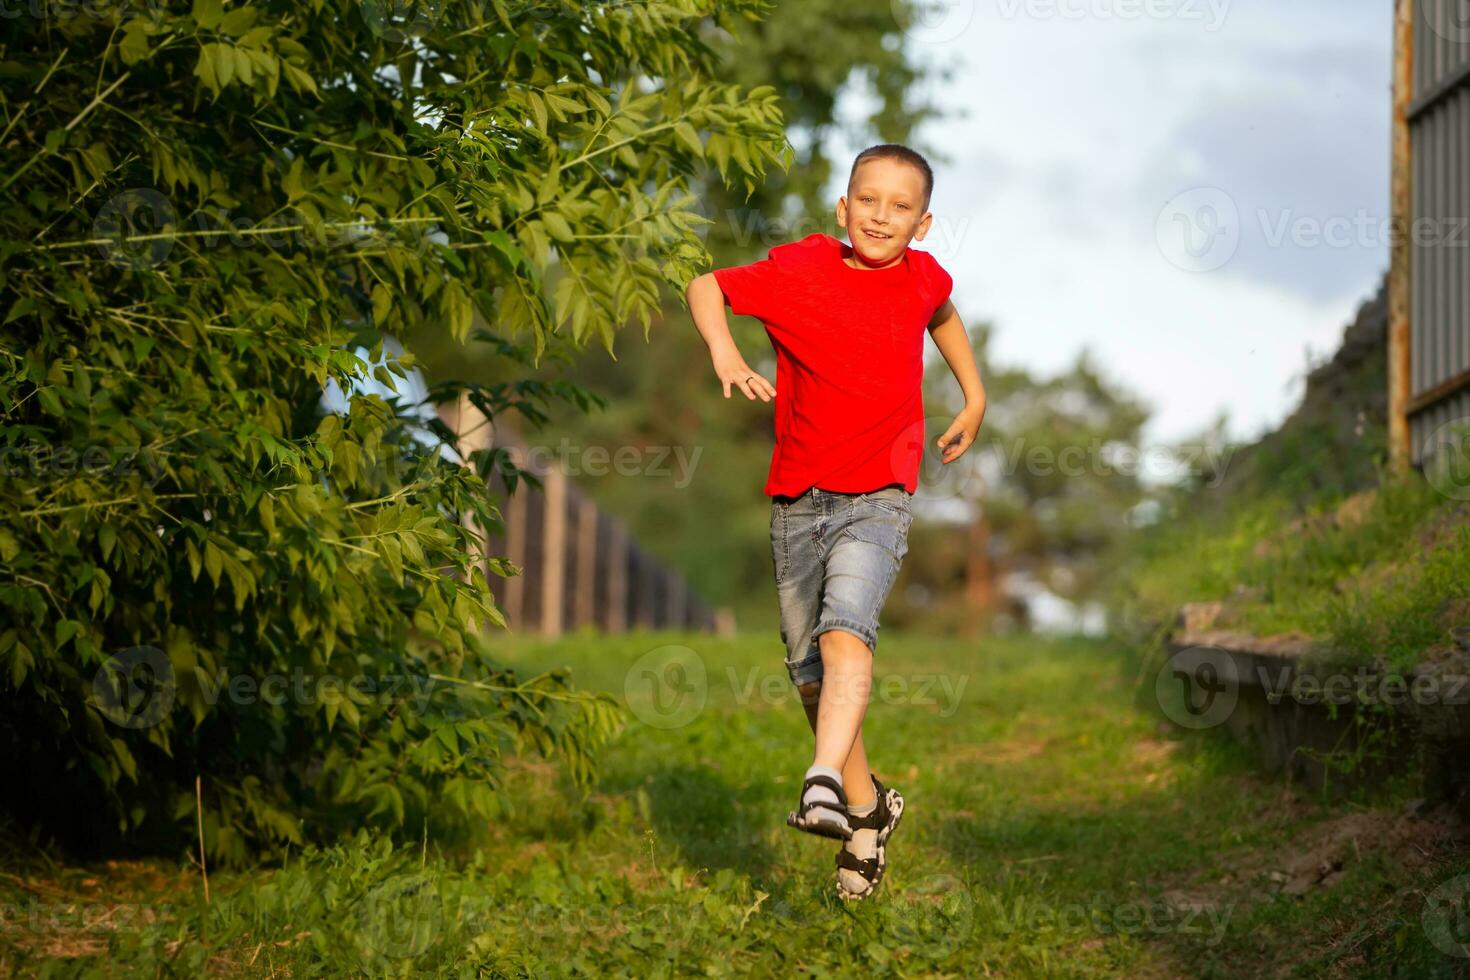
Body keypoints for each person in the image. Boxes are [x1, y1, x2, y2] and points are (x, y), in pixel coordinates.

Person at [684, 143, 987, 900]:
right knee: (809, 676)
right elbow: (705, 285)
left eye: (900, 206)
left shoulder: (922, 278)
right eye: (869, 199)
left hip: (879, 495)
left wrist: (973, 395)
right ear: (843, 209)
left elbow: (943, 315)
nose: (882, 215)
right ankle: (866, 807)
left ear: (923, 223)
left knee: (845, 630)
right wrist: (723, 348)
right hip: (798, 498)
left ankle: (820, 781)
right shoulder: (801, 271)